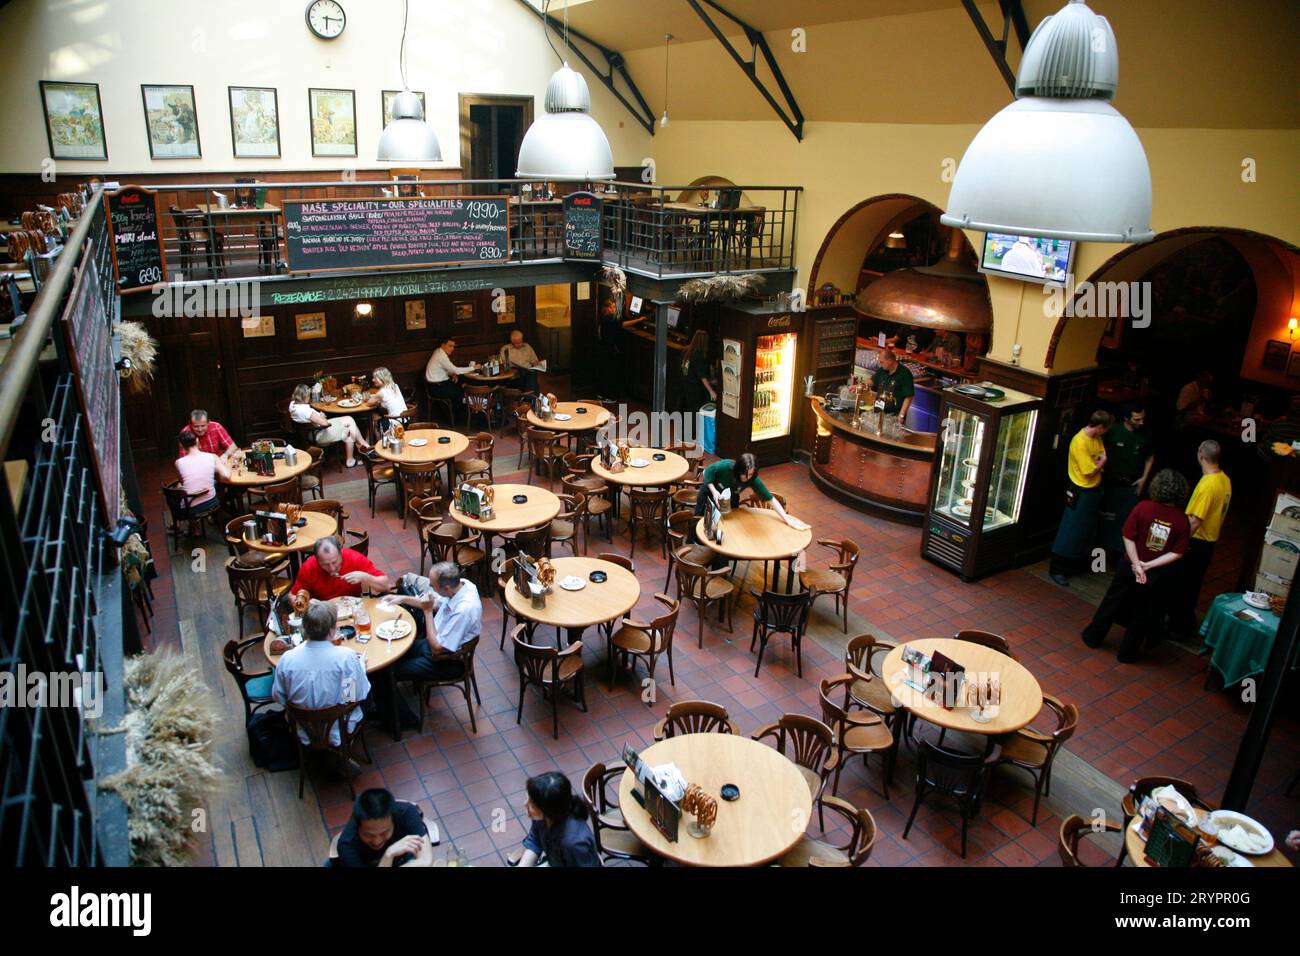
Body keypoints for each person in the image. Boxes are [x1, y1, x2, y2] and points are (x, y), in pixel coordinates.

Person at [1082, 469, 1191, 664]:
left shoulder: (1143, 507)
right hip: (1156, 574)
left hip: (1129, 567)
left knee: (1112, 601)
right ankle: (1127, 653)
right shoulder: (1182, 520)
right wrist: (1148, 566)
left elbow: (1127, 536)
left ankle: (1093, 637)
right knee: (1144, 612)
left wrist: (1137, 564)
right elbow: (1177, 553)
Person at [271, 601, 370, 748]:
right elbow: (354, 695)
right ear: (332, 630)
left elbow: (279, 697)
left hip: (304, 730)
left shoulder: (287, 659)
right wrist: (359, 667)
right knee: (368, 695)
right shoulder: (345, 657)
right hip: (339, 728)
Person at [1168, 440, 1232, 637]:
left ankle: (1179, 628)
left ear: (1201, 455)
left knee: (1183, 587)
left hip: (1197, 542)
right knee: (1192, 586)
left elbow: (1195, 521)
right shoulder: (1224, 479)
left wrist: (1179, 544)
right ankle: (1184, 625)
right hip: (1209, 541)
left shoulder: (1207, 485)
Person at [384, 562, 483, 682]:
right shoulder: (462, 585)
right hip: (433, 643)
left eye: (432, 585)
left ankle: (390, 699)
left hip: (447, 660)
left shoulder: (464, 611)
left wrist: (427, 612)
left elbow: (437, 648)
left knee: (390, 672)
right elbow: (435, 603)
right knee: (391, 654)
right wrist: (403, 599)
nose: (430, 586)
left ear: (446, 589)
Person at [1049, 409, 1114, 586]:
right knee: (1071, 529)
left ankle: (1081, 563)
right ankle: (1058, 568)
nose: (1106, 432)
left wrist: (1099, 465)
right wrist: (1100, 464)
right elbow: (1089, 470)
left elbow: (1101, 456)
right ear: (1100, 427)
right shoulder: (1080, 442)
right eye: (1106, 428)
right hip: (1081, 491)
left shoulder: (1096, 438)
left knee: (1087, 529)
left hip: (1093, 490)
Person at [510, 772, 600, 867]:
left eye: (532, 805)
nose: (525, 804)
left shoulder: (574, 843)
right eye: (527, 799)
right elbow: (535, 841)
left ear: (547, 810)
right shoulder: (544, 816)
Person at [1099, 404, 1155, 554]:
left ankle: (1119, 557)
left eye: (1143, 418)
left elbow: (1150, 457)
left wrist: (1144, 478)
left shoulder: (1146, 434)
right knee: (1106, 521)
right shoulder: (1113, 431)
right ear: (1126, 418)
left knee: (1126, 523)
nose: (1141, 423)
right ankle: (1099, 560)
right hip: (1111, 483)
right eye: (1137, 419)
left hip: (1132, 485)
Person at [333, 788, 436, 868]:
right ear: (357, 826)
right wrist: (387, 856)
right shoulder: (347, 845)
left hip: (402, 860)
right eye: (368, 835)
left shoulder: (406, 813)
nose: (377, 841)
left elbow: (426, 860)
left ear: (393, 820)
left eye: (384, 833)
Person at [698, 452, 801, 527]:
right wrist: (714, 492)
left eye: (750, 474)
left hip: (730, 497)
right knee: (700, 519)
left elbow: (770, 499)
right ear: (738, 469)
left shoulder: (752, 479)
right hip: (710, 492)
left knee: (730, 524)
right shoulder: (724, 466)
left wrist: (786, 518)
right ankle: (694, 541)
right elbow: (706, 472)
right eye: (744, 473)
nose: (747, 478)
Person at [289, 384, 371, 468]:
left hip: (311, 432)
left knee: (349, 420)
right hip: (318, 434)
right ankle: (363, 450)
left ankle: (362, 448)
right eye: (308, 396)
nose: (309, 398)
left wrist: (319, 417)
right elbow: (325, 423)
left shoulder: (293, 405)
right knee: (349, 426)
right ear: (305, 397)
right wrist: (322, 417)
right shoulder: (305, 411)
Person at [291, 536, 392, 601]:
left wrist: (365, 577)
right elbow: (292, 596)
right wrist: (307, 605)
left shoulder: (354, 558)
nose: (332, 568)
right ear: (317, 560)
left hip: (353, 609)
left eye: (335, 562)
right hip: (324, 614)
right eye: (325, 564)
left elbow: (385, 585)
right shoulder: (309, 567)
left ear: (341, 553)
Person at [174, 429, 230, 516]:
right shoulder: (212, 457)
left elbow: (182, 482)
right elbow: (226, 476)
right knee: (219, 486)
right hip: (211, 502)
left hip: (189, 506)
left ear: (181, 445)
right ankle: (222, 513)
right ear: (197, 440)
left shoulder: (178, 462)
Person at [424, 336, 478, 414]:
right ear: (443, 345)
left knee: (461, 382)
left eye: (453, 346)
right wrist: (473, 367)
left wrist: (453, 373)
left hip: (437, 385)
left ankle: (472, 406)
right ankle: (477, 406)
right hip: (437, 388)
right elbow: (455, 369)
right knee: (460, 391)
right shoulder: (441, 356)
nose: (452, 348)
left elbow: (447, 369)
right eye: (450, 346)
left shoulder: (438, 351)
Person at [870, 349, 915, 423]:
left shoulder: (905, 374)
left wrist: (901, 415)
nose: (880, 364)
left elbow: (909, 397)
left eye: (882, 362)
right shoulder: (883, 370)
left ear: (890, 360)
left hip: (893, 416)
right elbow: (872, 381)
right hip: (878, 411)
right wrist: (861, 385)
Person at [679, 329, 717, 414]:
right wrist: (711, 391)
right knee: (694, 413)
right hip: (694, 389)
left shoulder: (686, 350)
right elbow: (702, 377)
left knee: (686, 412)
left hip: (684, 385)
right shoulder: (698, 355)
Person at [500, 329, 543, 393]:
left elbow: (535, 360)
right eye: (517, 343)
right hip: (515, 372)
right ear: (512, 342)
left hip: (529, 370)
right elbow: (504, 363)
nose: (520, 344)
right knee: (524, 376)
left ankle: (533, 399)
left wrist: (536, 363)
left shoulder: (527, 347)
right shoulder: (506, 349)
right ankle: (530, 398)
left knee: (532, 375)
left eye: (521, 341)